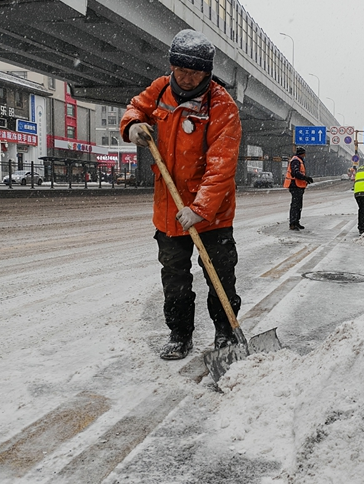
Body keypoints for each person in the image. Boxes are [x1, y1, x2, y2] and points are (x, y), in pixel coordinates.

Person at [121, 29, 242, 360]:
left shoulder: (221, 107)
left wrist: (201, 209)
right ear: (172, 67)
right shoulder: (160, 90)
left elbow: (221, 166)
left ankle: (225, 333)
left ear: (207, 72)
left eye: (195, 72)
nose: (187, 78)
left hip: (212, 214)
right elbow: (136, 108)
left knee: (219, 276)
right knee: (174, 278)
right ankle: (179, 333)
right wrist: (132, 125)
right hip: (168, 208)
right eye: (181, 71)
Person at [284, 146, 313, 230]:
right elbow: (295, 173)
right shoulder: (296, 160)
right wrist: (305, 178)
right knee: (295, 205)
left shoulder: (299, 160)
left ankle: (296, 222)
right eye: (304, 154)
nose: (305, 155)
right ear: (302, 154)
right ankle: (293, 223)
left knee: (298, 205)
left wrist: (305, 179)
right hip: (295, 185)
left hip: (299, 186)